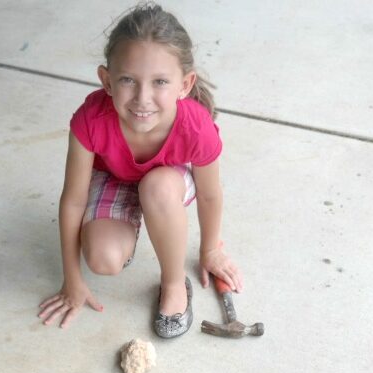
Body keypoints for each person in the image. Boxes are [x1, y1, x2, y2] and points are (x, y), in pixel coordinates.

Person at [38, 2, 243, 338]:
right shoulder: (91, 120)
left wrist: (210, 250)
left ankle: (174, 284)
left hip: (168, 181)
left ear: (185, 84)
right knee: (103, 259)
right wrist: (72, 281)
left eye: (160, 81)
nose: (142, 98)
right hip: (116, 177)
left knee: (157, 187)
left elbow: (209, 193)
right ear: (106, 80)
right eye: (128, 80)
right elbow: (73, 200)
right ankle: (129, 229)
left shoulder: (195, 126)